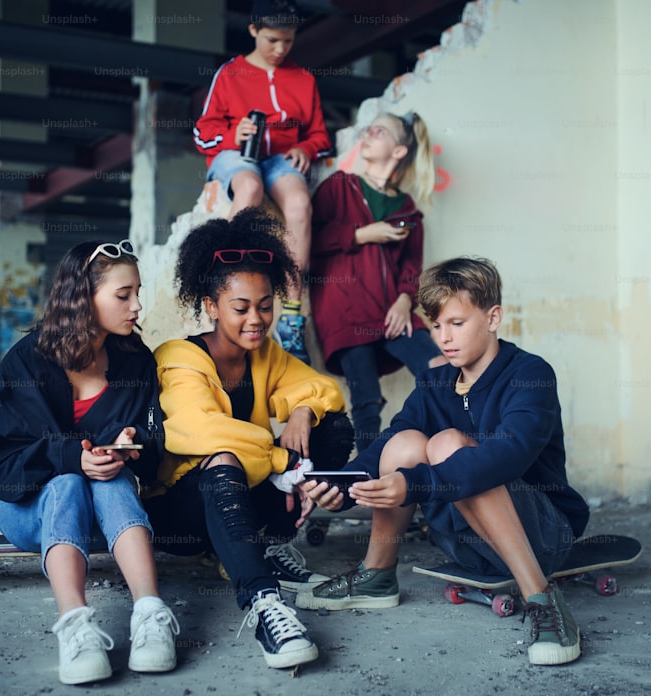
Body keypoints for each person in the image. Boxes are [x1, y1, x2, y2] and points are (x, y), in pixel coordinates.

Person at [298, 257, 591, 666]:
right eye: (436, 326)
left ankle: (541, 598)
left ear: (493, 318)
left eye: (457, 323)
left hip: (541, 539)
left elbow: (508, 455)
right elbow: (386, 443)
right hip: (466, 542)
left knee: (449, 445)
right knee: (404, 443)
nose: (444, 338)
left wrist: (416, 484)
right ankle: (376, 575)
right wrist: (343, 486)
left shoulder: (530, 375)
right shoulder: (435, 382)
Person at [143, 208, 354, 669]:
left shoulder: (267, 357)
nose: (255, 319)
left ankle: (271, 542)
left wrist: (302, 409)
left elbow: (327, 391)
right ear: (212, 306)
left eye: (265, 305)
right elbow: (197, 429)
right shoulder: (178, 358)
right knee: (221, 456)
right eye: (240, 308)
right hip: (181, 513)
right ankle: (265, 606)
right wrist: (284, 462)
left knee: (332, 423)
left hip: (241, 499)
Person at [0, 239, 179, 685]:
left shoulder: (135, 359)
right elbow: (0, 466)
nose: (137, 306)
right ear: (83, 298)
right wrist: (74, 458)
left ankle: (150, 614)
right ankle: (76, 626)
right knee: (66, 483)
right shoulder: (26, 360)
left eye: (138, 293)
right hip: (31, 512)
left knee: (113, 481)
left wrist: (131, 447)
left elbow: (154, 442)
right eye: (123, 295)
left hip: (106, 515)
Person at [191, 0, 332, 364]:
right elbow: (203, 133)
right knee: (250, 188)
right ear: (253, 30)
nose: (280, 49)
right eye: (272, 40)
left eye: (288, 41)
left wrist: (306, 146)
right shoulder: (230, 73)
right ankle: (229, 273)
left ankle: (291, 316)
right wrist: (233, 133)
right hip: (236, 154)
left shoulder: (303, 78)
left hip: (283, 159)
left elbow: (319, 134)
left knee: (299, 204)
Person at [309, 111, 447, 454]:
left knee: (440, 371)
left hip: (391, 312)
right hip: (347, 313)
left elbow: (412, 265)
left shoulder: (408, 210)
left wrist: (405, 300)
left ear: (399, 151)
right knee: (366, 401)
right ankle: (368, 478)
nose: (368, 134)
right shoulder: (338, 187)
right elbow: (310, 240)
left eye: (380, 131)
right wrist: (360, 234)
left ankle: (446, 454)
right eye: (368, 129)